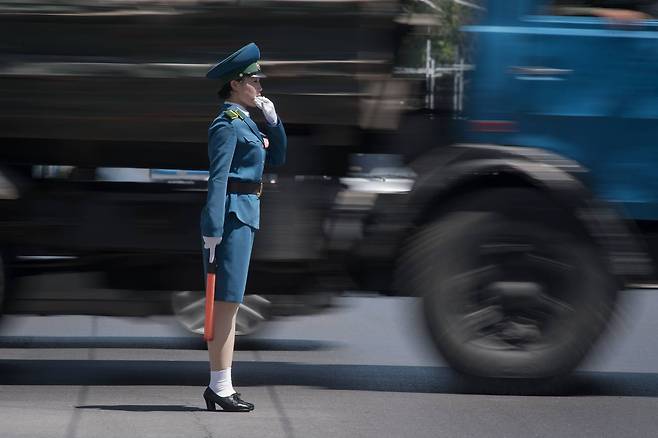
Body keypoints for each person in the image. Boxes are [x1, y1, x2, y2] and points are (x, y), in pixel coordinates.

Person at [200, 42, 287, 412]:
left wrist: (275, 123)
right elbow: (218, 179)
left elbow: (277, 159)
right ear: (236, 84)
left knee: (231, 303)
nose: (260, 87)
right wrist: (213, 228)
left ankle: (221, 385)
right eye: (255, 80)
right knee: (226, 305)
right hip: (232, 217)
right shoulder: (226, 125)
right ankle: (220, 386)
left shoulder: (249, 121)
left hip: (246, 213)